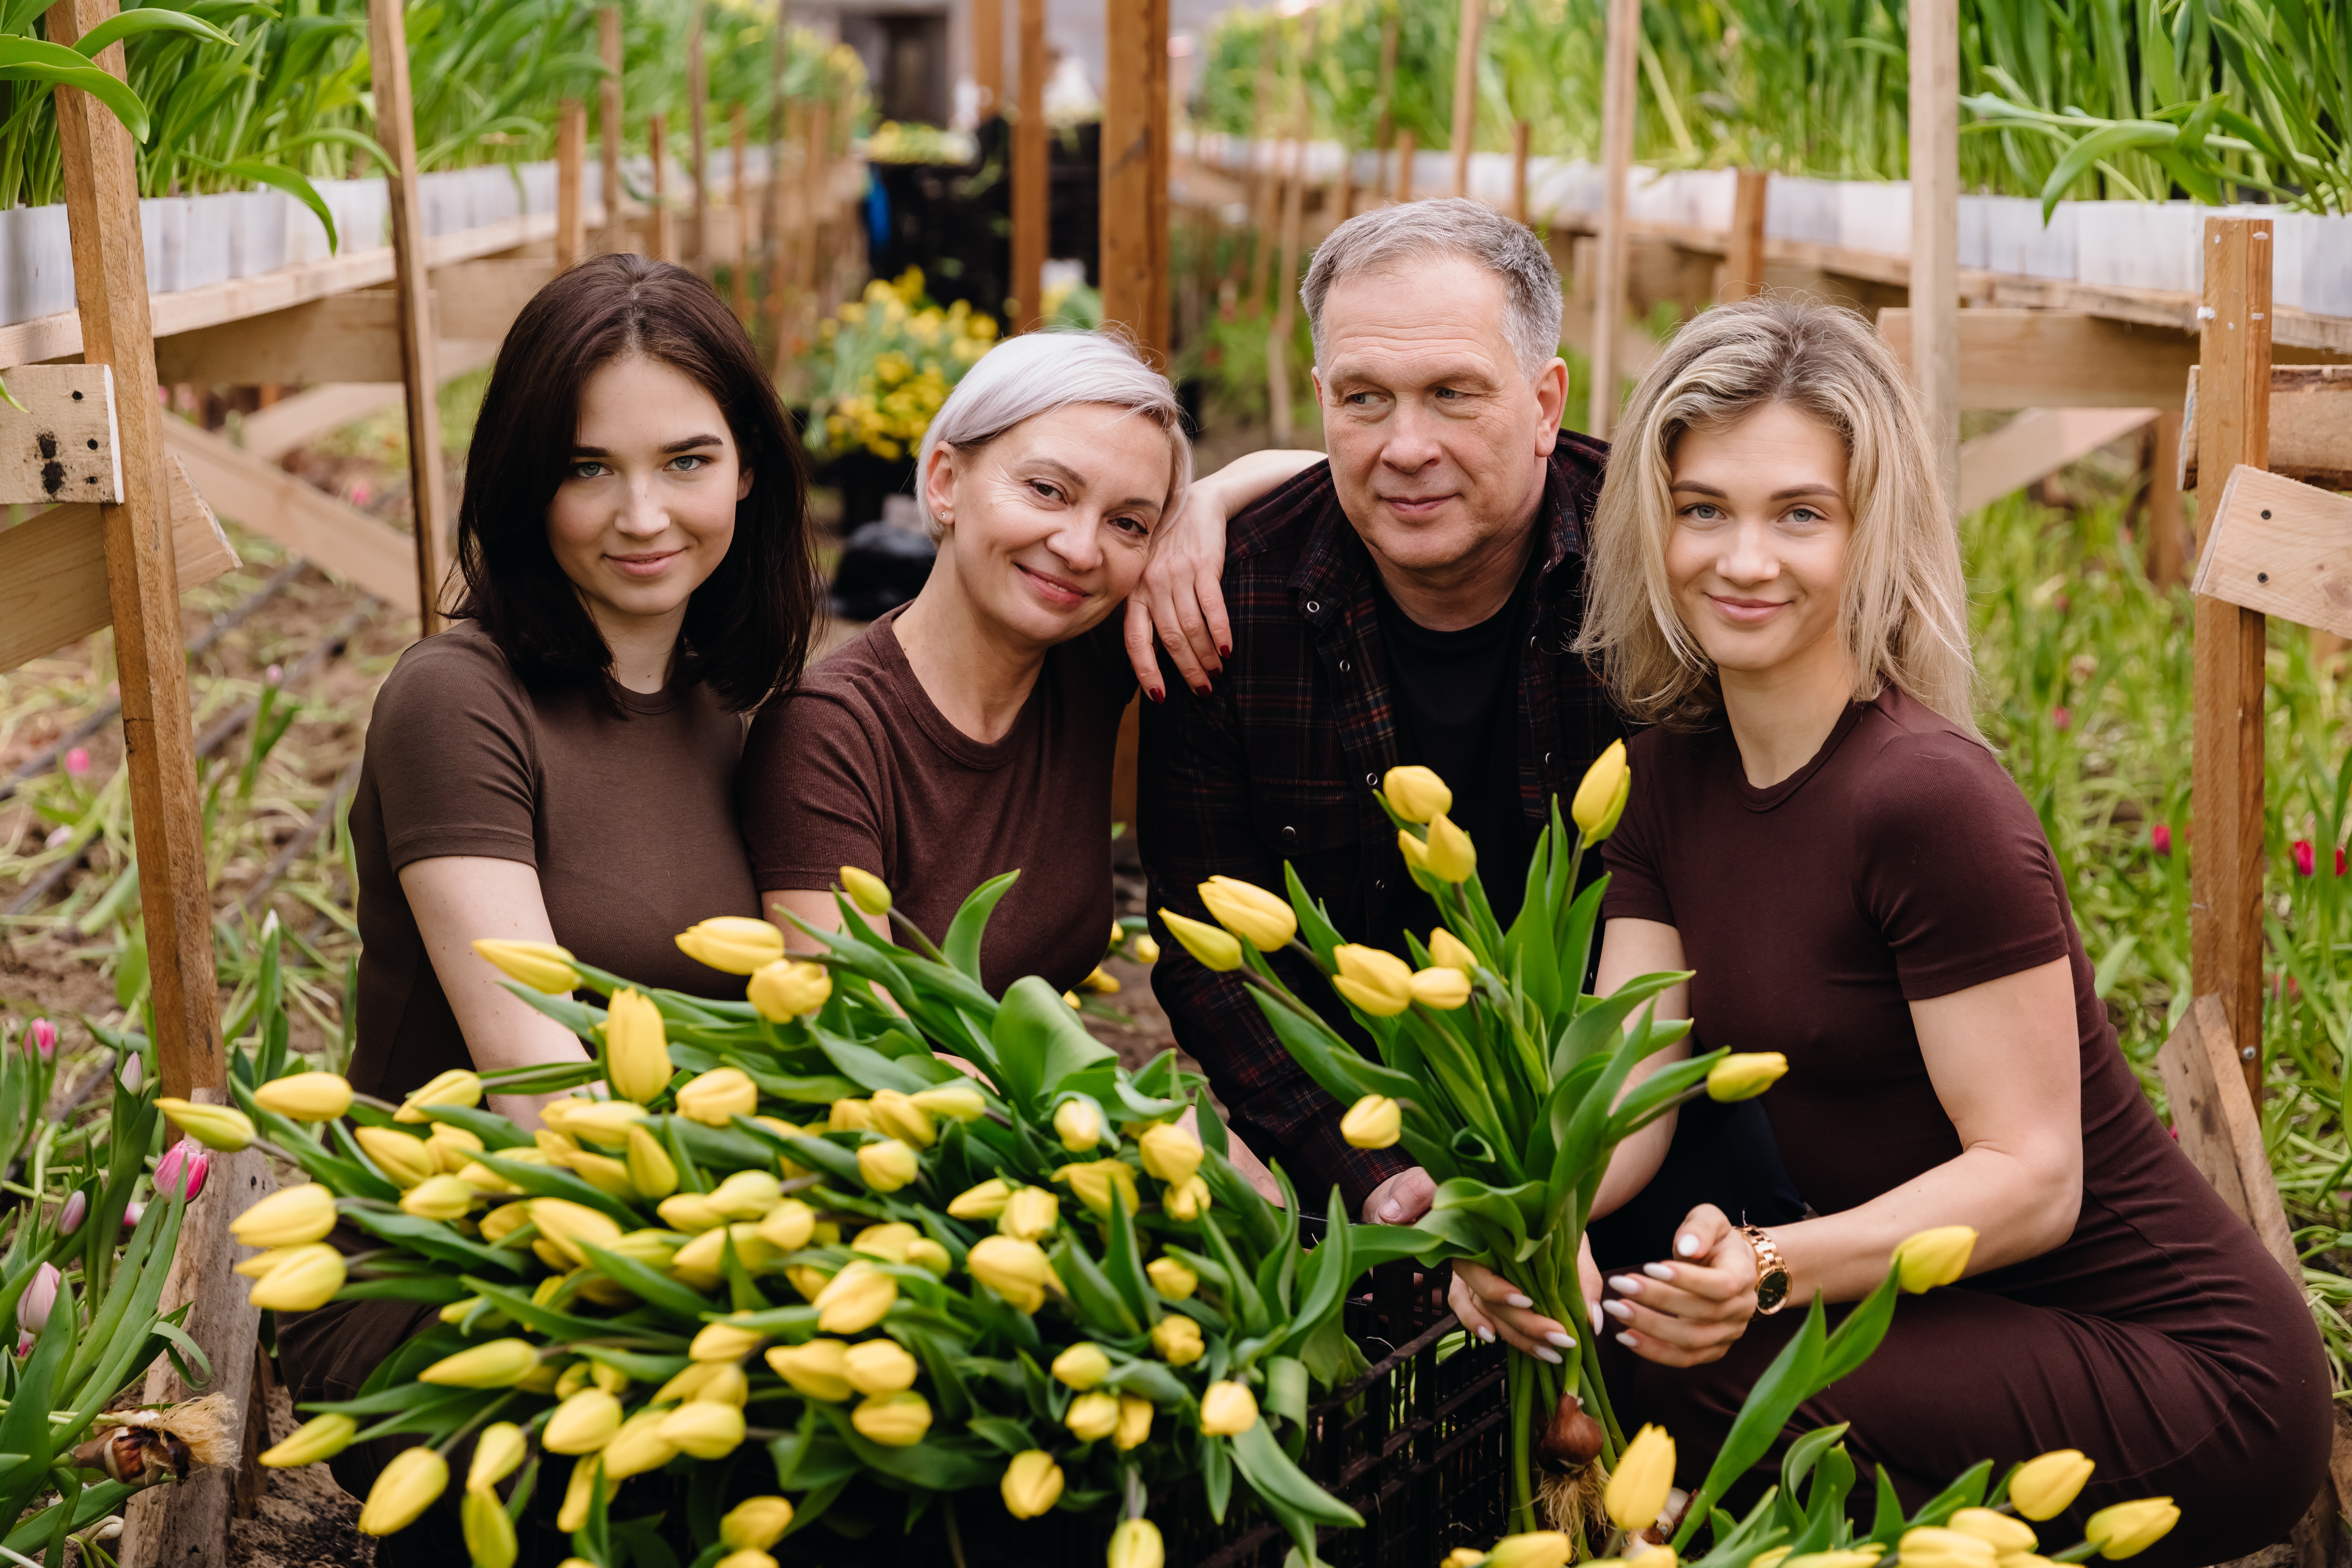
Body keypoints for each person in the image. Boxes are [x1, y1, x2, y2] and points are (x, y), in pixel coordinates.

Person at [1449, 296, 2330, 1561]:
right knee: (1646, 1341)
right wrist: (1530, 1232)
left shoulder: (1924, 798)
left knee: (1703, 1377)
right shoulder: (1663, 783)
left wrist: (1764, 1264)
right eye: (1705, 510)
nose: (1745, 559)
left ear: (1871, 533)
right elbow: (1628, 1094)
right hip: (1969, 1323)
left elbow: (2034, 1179)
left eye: (1800, 514)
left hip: (2180, 1367)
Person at [1140, 199, 1802, 1260]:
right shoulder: (1228, 603)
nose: (1407, 448)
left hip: (1648, 1118)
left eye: (1454, 394)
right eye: (1364, 398)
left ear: (1545, 403)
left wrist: (1566, 1188)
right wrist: (1374, 1179)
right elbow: (1210, 957)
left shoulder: (1666, 575)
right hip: (1363, 1143)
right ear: (1320, 400)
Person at [286, 254, 820, 1559]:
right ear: (527, 484)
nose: (643, 515)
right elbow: (546, 1100)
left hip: (675, 1244)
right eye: (589, 468)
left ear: (749, 469)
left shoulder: (734, 703)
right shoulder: (458, 701)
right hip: (456, 1272)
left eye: (687, 462)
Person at [742, 329, 1303, 999]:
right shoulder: (826, 736)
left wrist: (1210, 500)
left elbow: (1348, 475)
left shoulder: (1086, 651)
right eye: (1047, 490)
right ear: (945, 482)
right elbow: (859, 1030)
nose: (1080, 550)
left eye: (1129, 523)